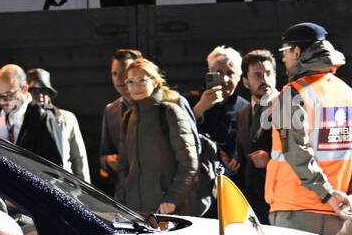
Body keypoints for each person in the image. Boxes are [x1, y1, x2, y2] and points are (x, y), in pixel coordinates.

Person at [265, 22, 352, 235]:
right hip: (340, 214)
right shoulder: (348, 94)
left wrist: (327, 195)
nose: (283, 58)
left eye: (285, 51)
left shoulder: (292, 95)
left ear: (297, 52)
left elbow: (296, 153)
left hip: (296, 210)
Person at [114, 58, 199, 216]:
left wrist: (172, 199)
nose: (136, 86)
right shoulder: (128, 117)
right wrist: (123, 197)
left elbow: (189, 163)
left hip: (167, 211)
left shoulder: (169, 112)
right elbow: (123, 165)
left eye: (142, 80)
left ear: (155, 82)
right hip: (134, 211)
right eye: (131, 81)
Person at [0, 64, 64, 168]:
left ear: (25, 89)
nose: (3, 101)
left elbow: (55, 170)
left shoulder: (44, 119)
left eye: (9, 95)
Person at [234, 49, 279, 222]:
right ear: (245, 81)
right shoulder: (243, 113)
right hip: (252, 204)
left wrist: (270, 161)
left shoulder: (288, 108)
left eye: (268, 74)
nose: (265, 80)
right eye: (257, 75)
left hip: (280, 197)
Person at [190, 46, 249, 173]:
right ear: (209, 73)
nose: (224, 79)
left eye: (230, 73)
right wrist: (199, 109)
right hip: (198, 176)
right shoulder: (191, 101)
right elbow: (180, 132)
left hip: (232, 179)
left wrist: (236, 160)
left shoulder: (246, 108)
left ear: (239, 76)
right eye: (219, 73)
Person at [26, 68, 89, 180]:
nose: (40, 95)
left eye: (44, 91)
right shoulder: (20, 121)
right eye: (35, 91)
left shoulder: (67, 118)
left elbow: (78, 159)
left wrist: (83, 193)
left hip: (64, 185)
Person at [98, 48, 144, 193]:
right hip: (126, 194)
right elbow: (104, 154)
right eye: (114, 74)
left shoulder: (159, 106)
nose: (118, 80)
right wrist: (108, 161)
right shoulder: (110, 110)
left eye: (124, 73)